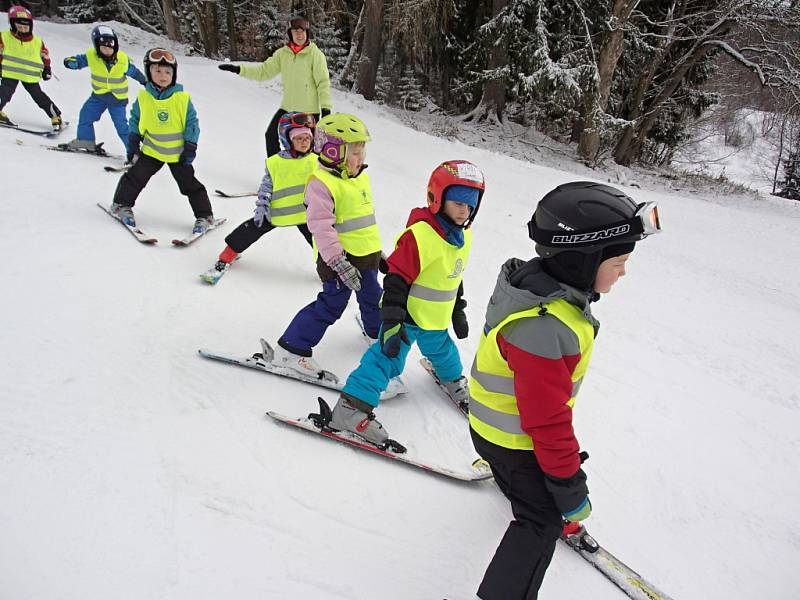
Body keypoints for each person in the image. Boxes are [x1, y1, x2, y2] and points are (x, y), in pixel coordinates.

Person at [468, 182, 662, 600]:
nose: (623, 272)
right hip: (511, 440)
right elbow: (547, 422)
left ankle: (530, 489)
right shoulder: (545, 326)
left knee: (539, 481)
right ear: (581, 259)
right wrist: (569, 490)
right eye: (619, 262)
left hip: (492, 427)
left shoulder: (536, 286)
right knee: (541, 521)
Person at [329, 160, 486, 445]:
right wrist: (390, 320)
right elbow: (396, 280)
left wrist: (458, 308)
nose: (465, 211)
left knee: (445, 353)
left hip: (434, 320)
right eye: (459, 204)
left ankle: (452, 381)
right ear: (437, 199)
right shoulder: (420, 236)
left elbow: (452, 272)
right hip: (406, 317)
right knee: (385, 359)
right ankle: (350, 409)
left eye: (471, 205)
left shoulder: (463, 235)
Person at [269, 112, 381, 376]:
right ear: (333, 151)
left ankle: (376, 334)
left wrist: (379, 252)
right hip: (338, 259)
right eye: (355, 152)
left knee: (372, 296)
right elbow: (320, 227)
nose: (361, 158)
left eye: (362, 151)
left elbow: (362, 221)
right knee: (331, 304)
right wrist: (338, 262)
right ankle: (292, 349)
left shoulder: (358, 178)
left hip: (366, 255)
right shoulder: (321, 184)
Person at [202, 112, 318, 283]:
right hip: (277, 211)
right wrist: (262, 206)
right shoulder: (276, 162)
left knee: (322, 243)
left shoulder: (317, 161)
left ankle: (331, 272)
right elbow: (266, 186)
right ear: (288, 140)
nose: (304, 142)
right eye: (299, 138)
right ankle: (226, 257)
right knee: (250, 229)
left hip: (306, 215)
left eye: (307, 138)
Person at [109, 48, 214, 234]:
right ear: (149, 72)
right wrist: (133, 142)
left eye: (168, 72)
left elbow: (192, 123)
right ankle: (121, 205)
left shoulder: (181, 98)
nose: (163, 75)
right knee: (135, 177)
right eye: (157, 71)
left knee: (190, 185)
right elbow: (135, 119)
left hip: (177, 154)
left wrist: (190, 145)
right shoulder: (144, 97)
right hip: (152, 151)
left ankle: (204, 216)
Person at [217, 14, 332, 156]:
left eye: (302, 31)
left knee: (309, 148)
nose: (299, 35)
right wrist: (239, 69)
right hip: (287, 109)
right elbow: (263, 71)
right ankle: (275, 171)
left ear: (307, 34)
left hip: (308, 112)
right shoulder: (283, 54)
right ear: (290, 34)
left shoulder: (315, 55)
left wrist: (326, 109)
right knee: (270, 136)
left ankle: (311, 177)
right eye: (295, 32)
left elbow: (323, 83)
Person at [62, 25, 147, 153]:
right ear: (97, 47)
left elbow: (135, 72)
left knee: (122, 127)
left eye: (110, 47)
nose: (107, 50)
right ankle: (86, 140)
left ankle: (134, 152)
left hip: (117, 100)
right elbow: (80, 60)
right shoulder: (92, 56)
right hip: (98, 96)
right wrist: (71, 62)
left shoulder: (122, 60)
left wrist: (145, 82)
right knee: (86, 115)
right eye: (103, 47)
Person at [0, 5, 62, 130]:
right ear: (12, 25)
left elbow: (45, 56)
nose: (23, 29)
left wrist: (47, 69)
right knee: (4, 94)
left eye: (25, 26)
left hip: (30, 76)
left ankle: (56, 116)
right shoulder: (3, 37)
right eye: (19, 27)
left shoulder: (37, 42)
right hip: (10, 74)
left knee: (39, 97)